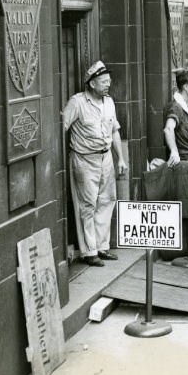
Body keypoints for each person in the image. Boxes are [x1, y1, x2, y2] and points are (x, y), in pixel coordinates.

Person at [63, 61, 128, 267]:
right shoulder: (77, 102)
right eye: (103, 81)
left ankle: (101, 246)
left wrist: (121, 159)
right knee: (87, 205)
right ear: (91, 84)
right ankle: (89, 251)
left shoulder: (109, 102)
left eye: (108, 81)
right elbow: (61, 127)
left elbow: (114, 130)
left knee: (107, 200)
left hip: (106, 157)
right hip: (84, 159)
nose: (108, 85)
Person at [163, 70, 188, 166]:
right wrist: (174, 152)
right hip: (184, 160)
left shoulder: (186, 105)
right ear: (186, 87)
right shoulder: (176, 107)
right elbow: (168, 129)